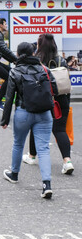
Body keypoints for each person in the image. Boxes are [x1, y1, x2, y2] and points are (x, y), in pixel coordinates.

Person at [1, 42, 56, 199]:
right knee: (43, 148)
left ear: (18, 54)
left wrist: (5, 120)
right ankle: (47, 185)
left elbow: (9, 97)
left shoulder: (15, 71)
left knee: (18, 143)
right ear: (33, 53)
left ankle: (14, 174)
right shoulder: (44, 69)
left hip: (23, 112)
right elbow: (55, 89)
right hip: (44, 113)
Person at [23, 34, 74, 175]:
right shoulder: (62, 61)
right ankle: (67, 161)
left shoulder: (37, 61)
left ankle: (32, 156)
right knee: (60, 130)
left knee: (36, 127)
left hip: (43, 98)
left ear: (40, 45)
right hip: (61, 99)